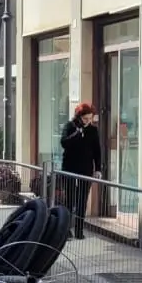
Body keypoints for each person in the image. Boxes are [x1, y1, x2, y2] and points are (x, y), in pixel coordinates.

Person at [59, 102, 102, 239]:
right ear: (79, 117)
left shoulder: (93, 130)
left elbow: (97, 151)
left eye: (90, 118)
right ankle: (66, 230)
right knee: (70, 200)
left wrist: (98, 169)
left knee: (82, 200)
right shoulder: (69, 126)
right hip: (70, 168)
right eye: (85, 119)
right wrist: (77, 134)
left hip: (85, 169)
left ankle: (79, 230)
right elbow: (64, 143)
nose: (88, 122)